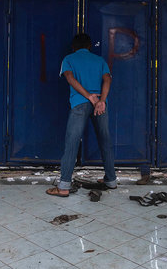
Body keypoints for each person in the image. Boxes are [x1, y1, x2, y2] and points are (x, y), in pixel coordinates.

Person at [47, 33, 116, 197]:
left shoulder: (68, 59)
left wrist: (87, 95)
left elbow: (70, 78)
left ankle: (63, 186)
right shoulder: (100, 60)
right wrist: (101, 101)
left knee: (72, 142)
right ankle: (111, 180)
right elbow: (107, 80)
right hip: (100, 104)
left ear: (74, 47)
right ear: (90, 47)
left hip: (79, 103)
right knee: (105, 140)